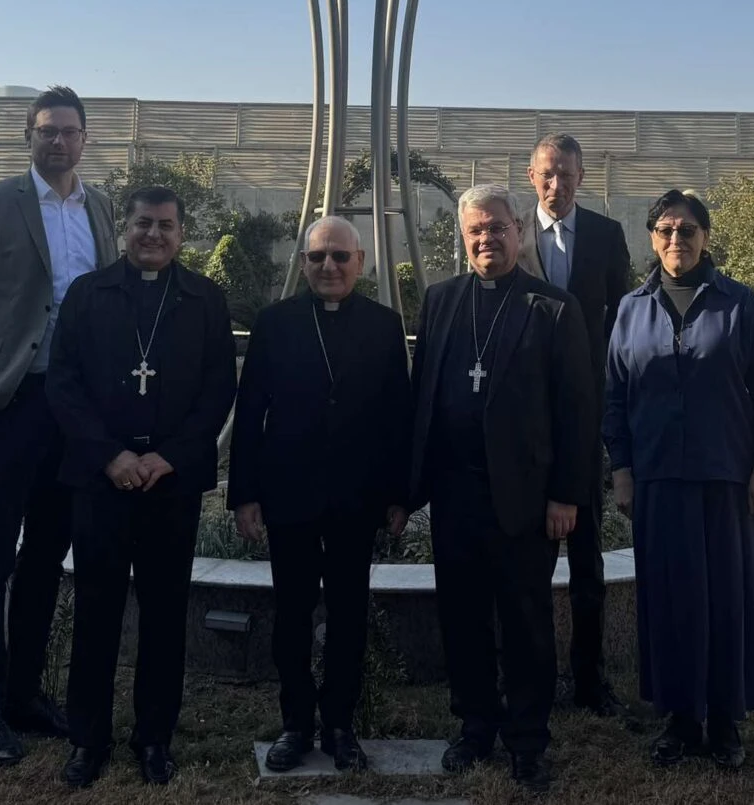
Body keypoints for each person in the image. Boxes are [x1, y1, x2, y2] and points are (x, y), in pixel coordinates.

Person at [0, 85, 117, 765]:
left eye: (69, 131)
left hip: (77, 408)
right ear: (28, 136)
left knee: (45, 556)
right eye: (46, 130)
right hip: (11, 402)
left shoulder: (99, 206)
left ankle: (22, 692)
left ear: (84, 139)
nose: (58, 140)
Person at [45, 186, 236, 788]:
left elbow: (217, 391)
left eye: (166, 226)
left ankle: (154, 737)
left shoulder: (205, 299)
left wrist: (169, 459)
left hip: (169, 485)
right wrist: (111, 456)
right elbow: (64, 384)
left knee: (163, 615)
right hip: (103, 482)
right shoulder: (88, 294)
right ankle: (88, 739)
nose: (153, 235)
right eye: (142, 224)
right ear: (123, 229)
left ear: (182, 235)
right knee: (96, 611)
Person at [409, 184, 596, 796]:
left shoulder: (554, 308)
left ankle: (527, 739)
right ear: (462, 237)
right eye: (474, 231)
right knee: (462, 620)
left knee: (526, 622)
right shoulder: (439, 301)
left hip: (523, 498)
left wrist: (567, 495)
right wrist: (409, 487)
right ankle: (474, 726)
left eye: (496, 228)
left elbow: (576, 411)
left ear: (518, 229)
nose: (486, 239)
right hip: (454, 494)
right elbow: (422, 401)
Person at [603, 190, 754, 770]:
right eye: (664, 230)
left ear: (705, 237)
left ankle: (727, 721)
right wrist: (623, 471)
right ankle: (680, 719)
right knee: (670, 601)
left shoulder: (739, 304)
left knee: (728, 600)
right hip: (659, 480)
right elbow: (615, 397)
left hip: (726, 479)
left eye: (687, 230)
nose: (675, 240)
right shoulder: (631, 308)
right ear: (651, 239)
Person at [228, 216, 411, 774]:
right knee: (292, 615)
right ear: (302, 263)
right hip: (290, 496)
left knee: (350, 615)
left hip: (357, 499)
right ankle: (295, 724)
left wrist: (401, 495)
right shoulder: (275, 323)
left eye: (339, 257)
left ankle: (340, 725)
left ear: (361, 263)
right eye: (316, 258)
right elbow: (250, 413)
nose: (327, 267)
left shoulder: (383, 325)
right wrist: (244, 495)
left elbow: (398, 418)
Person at [516, 133, 632, 715]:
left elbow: (625, 321)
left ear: (581, 177)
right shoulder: (511, 234)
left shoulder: (607, 236)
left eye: (565, 174)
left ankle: (590, 680)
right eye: (546, 174)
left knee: (588, 562)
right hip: (526, 423)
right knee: (529, 566)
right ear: (530, 176)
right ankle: (531, 680)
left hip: (584, 420)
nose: (555, 185)